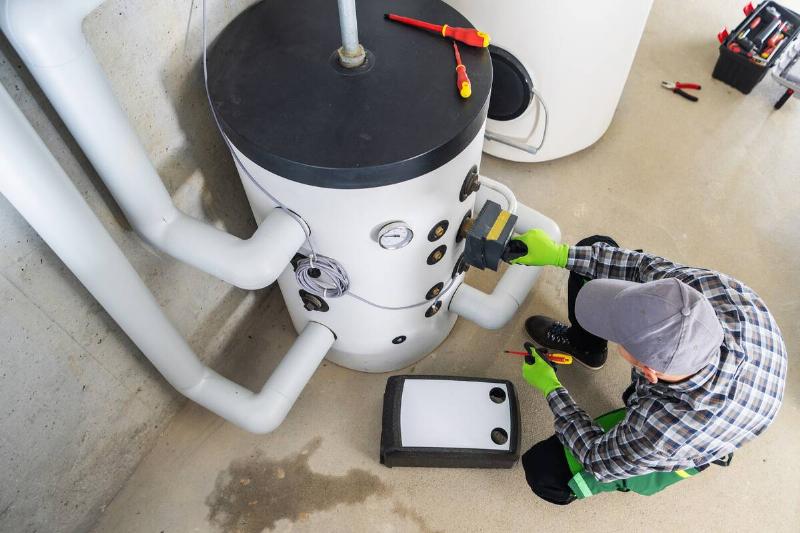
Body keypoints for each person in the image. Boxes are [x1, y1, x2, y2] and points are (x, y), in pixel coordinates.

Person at [508, 230, 787, 504]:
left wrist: (551, 387)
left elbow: (595, 457)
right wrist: (560, 255)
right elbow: (643, 267)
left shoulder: (662, 432)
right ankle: (585, 347)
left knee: (544, 472)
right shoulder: (715, 295)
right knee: (596, 248)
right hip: (742, 381)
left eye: (618, 336)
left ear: (649, 371)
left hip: (699, 435)